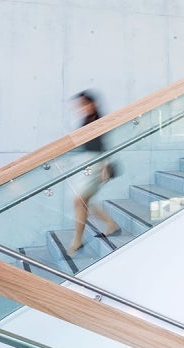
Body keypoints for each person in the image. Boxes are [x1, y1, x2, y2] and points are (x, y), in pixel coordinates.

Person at [65, 90, 120, 255]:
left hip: (97, 165)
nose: (81, 108)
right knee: (83, 202)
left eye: (84, 104)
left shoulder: (99, 120)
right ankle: (111, 224)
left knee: (79, 201)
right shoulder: (86, 120)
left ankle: (77, 240)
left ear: (93, 103)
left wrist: (105, 166)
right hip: (86, 165)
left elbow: (104, 145)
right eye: (79, 106)